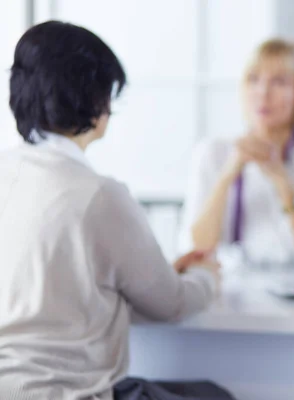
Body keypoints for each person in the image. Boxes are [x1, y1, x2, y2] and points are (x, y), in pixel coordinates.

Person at [0, 21, 233, 400]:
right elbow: (171, 304)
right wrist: (206, 276)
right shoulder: (99, 194)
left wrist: (162, 270)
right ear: (96, 101)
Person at [179, 39, 294, 273]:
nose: (262, 92)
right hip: (230, 294)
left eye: (279, 82)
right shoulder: (212, 153)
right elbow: (196, 250)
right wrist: (227, 175)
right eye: (253, 79)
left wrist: (284, 184)